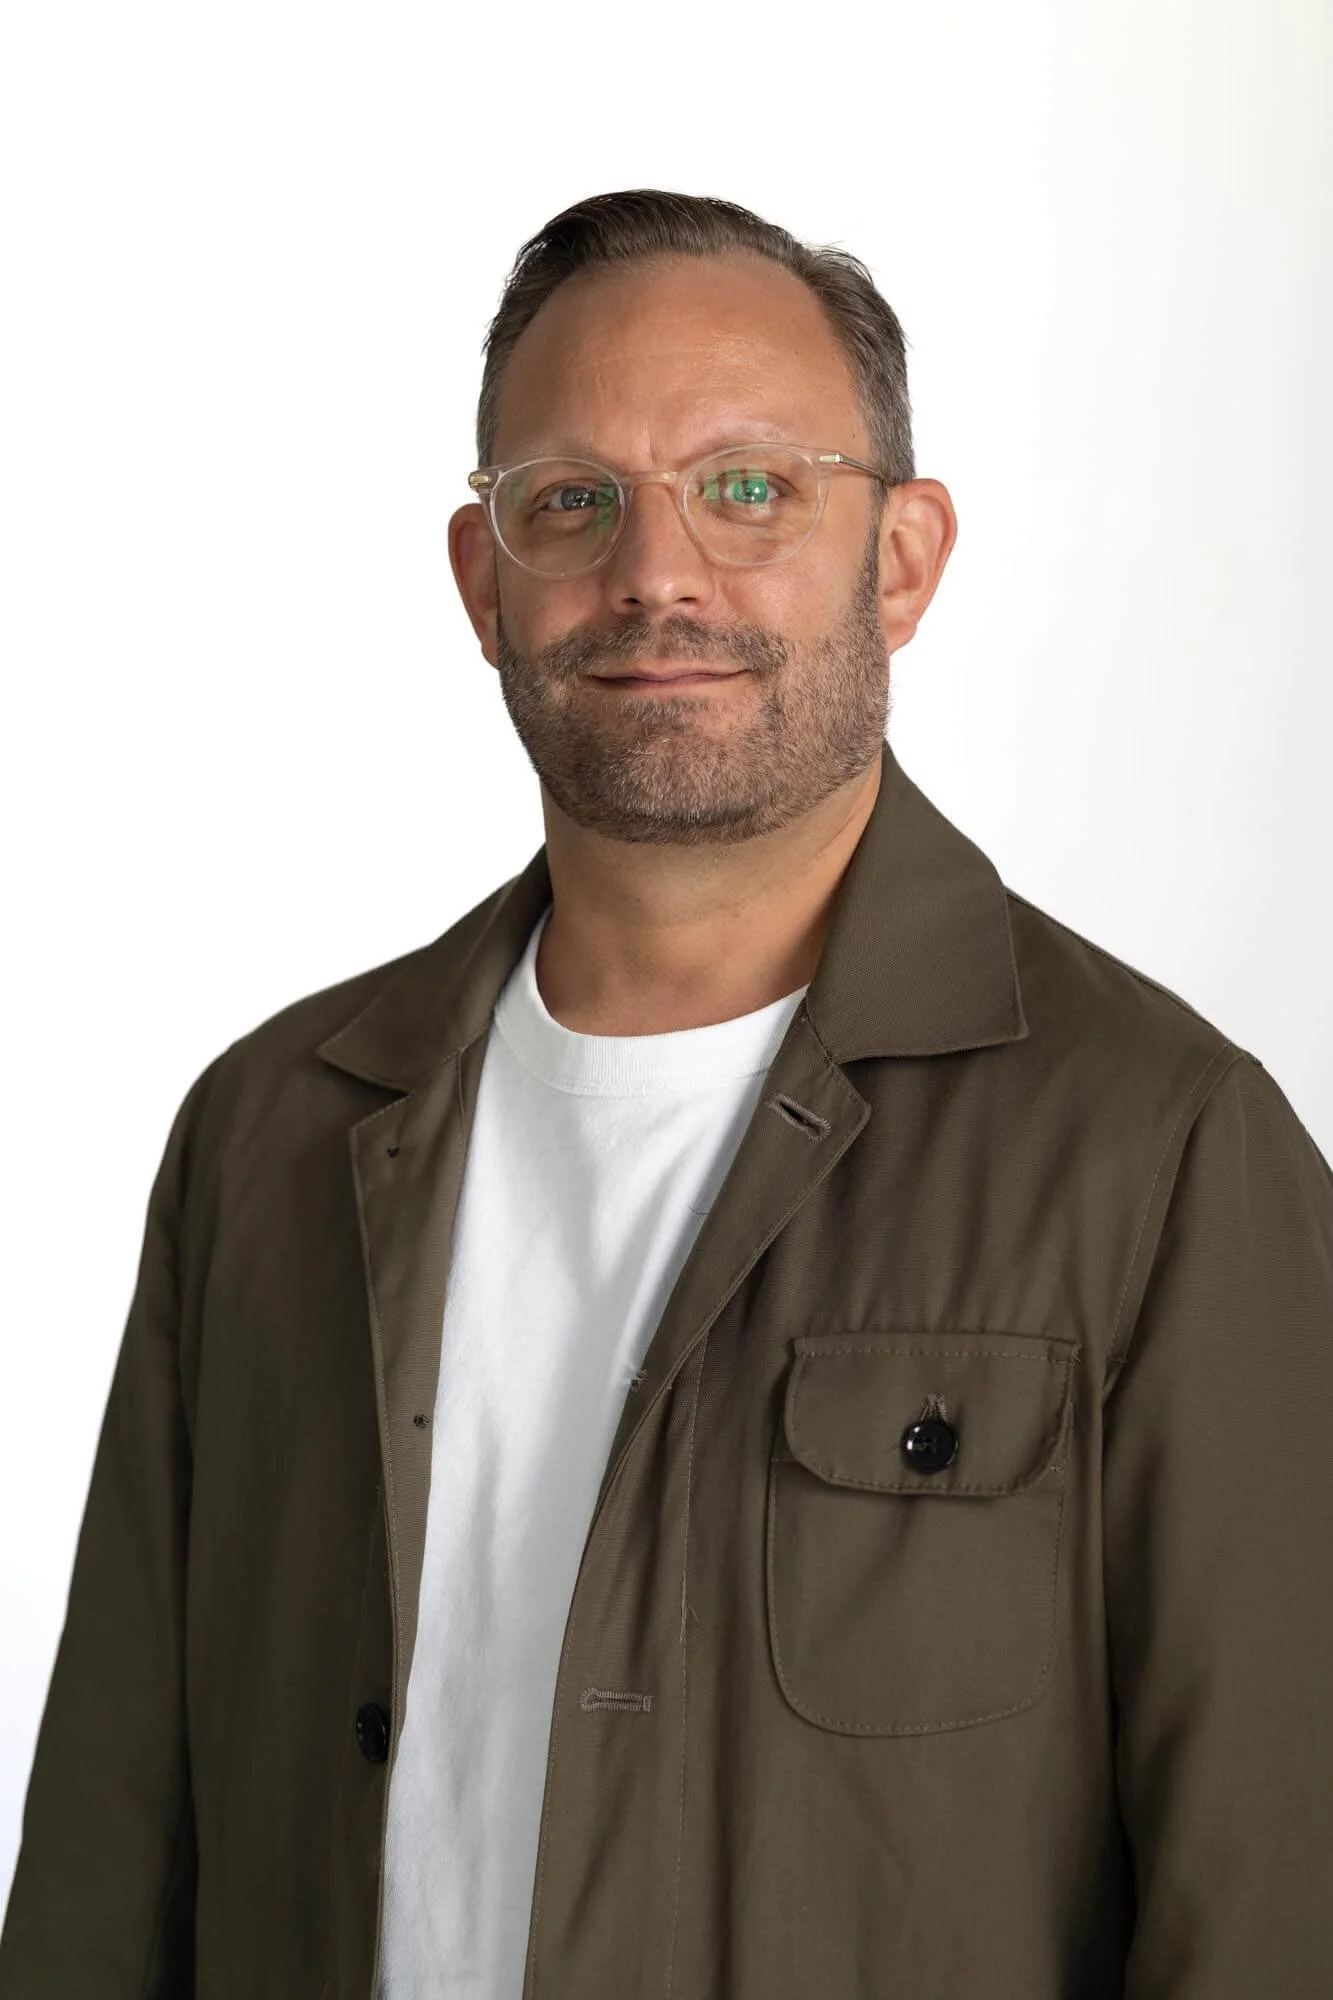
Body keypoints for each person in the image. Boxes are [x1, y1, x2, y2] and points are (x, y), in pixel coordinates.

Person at [1, 187, 1329, 2000]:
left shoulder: (1162, 1150)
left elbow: (1272, 1899)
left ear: (907, 557)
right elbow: (104, 1861)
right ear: (485, 586)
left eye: (752, 487)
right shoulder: (269, 1137)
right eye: (572, 502)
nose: (657, 573)